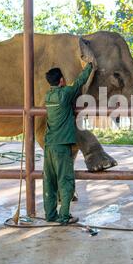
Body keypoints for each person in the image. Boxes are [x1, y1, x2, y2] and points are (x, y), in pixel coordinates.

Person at [43, 62, 94, 224]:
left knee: (49, 181)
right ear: (62, 80)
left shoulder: (48, 96)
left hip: (49, 145)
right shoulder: (65, 94)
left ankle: (50, 215)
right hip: (62, 145)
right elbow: (80, 82)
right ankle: (64, 216)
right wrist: (89, 67)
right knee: (65, 180)